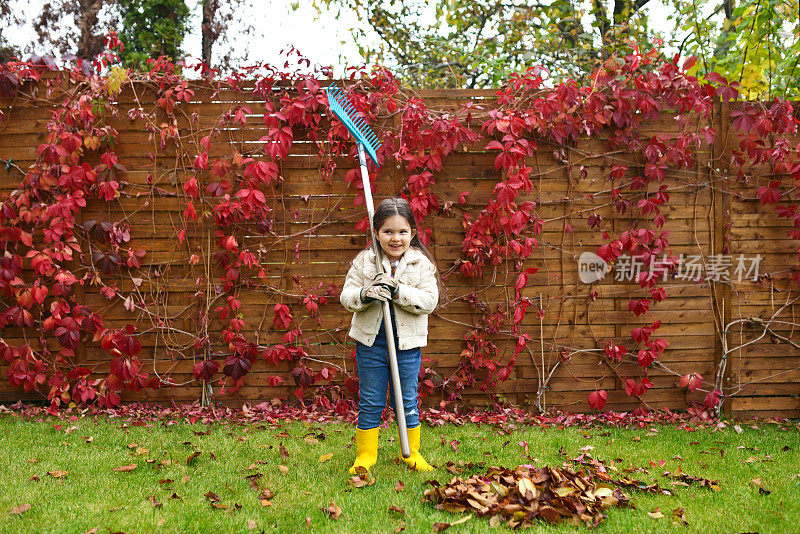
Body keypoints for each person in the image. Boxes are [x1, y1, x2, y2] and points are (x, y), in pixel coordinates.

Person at [340, 197, 441, 473]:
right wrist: (366, 293)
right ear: (376, 233)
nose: (395, 238)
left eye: (402, 232)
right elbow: (346, 296)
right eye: (387, 231)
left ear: (413, 233)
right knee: (371, 398)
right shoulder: (365, 262)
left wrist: (397, 291)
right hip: (372, 343)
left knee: (406, 398)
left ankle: (412, 453)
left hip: (407, 345)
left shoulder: (421, 264)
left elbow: (429, 301)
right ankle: (366, 455)